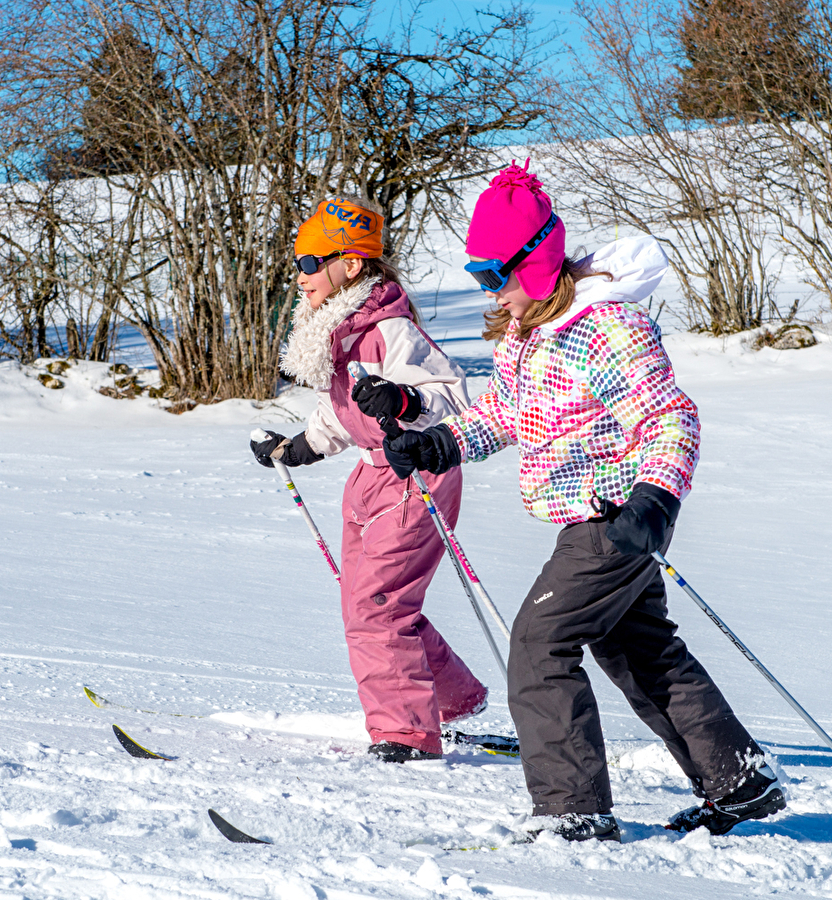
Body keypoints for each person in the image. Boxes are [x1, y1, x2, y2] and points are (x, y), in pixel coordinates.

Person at [378, 163, 785, 840]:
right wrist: (439, 444)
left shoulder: (605, 329)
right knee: (639, 649)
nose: (490, 291)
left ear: (534, 262)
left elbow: (668, 418)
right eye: (478, 275)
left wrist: (655, 498)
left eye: (493, 274)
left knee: (540, 642)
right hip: (587, 516)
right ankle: (738, 781)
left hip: (615, 518)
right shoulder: (528, 333)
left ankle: (573, 810)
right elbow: (507, 414)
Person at [250, 196, 488, 763]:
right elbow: (346, 409)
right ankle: (450, 701)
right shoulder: (344, 329)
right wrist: (302, 446)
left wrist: (404, 396)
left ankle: (405, 735)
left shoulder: (390, 329)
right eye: (298, 261)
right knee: (373, 603)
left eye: (310, 262)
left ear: (349, 265)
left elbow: (453, 399)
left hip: (416, 474)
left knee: (375, 606)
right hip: (370, 479)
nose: (300, 274)